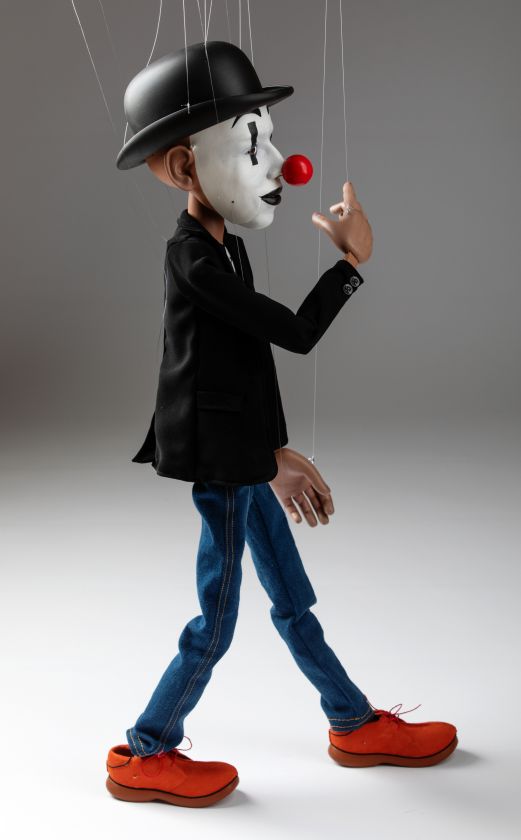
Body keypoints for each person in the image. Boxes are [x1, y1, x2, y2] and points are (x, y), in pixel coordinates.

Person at [105, 40, 457, 809]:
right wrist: (349, 266)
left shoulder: (225, 248)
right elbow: (291, 335)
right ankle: (146, 750)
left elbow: (237, 369)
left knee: (292, 599)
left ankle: (350, 722)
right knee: (216, 621)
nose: (278, 165)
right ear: (184, 167)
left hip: (244, 458)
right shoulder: (194, 260)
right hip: (222, 467)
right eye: (249, 145)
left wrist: (273, 451)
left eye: (268, 138)